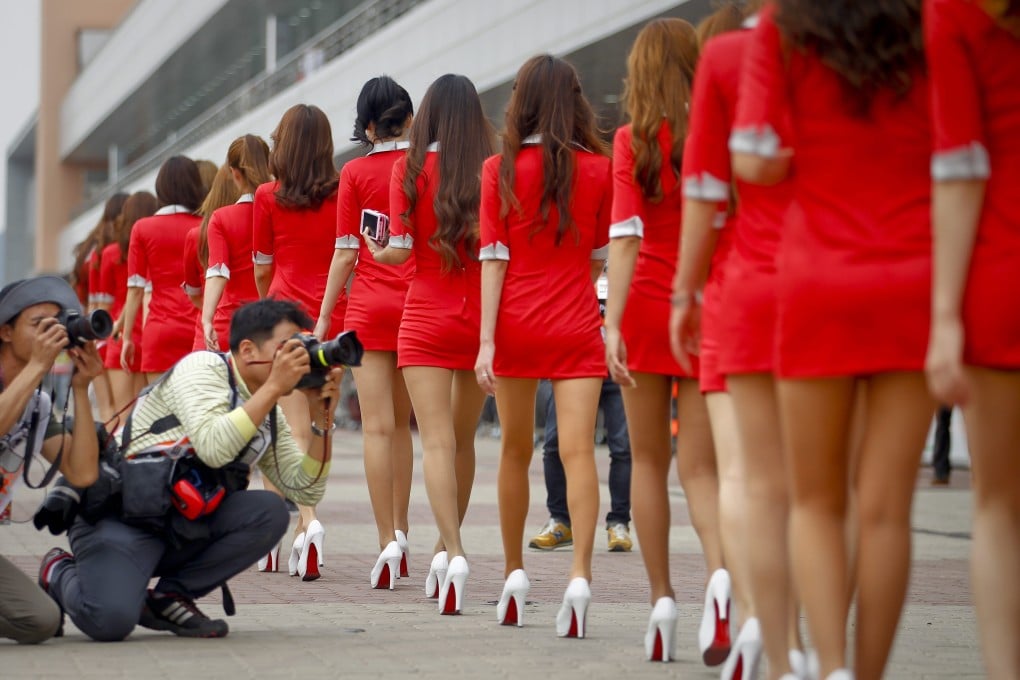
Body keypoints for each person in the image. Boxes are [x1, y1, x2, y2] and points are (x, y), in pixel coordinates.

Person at [730, 2, 934, 678]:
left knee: (816, 500)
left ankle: (830, 666)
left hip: (817, 277)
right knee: (886, 510)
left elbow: (753, 158)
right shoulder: (930, 23)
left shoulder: (782, 30)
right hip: (911, 275)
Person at [40, 299, 339, 642]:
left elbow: (305, 489)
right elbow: (213, 447)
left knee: (269, 512)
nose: (297, 357)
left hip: (179, 522)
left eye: (302, 347)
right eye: (287, 347)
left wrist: (322, 418)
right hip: (122, 515)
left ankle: (171, 596)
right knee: (110, 621)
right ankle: (58, 570)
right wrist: (273, 388)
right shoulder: (203, 368)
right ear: (247, 349)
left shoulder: (269, 413)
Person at [672, 1, 814, 677]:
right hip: (825, 272)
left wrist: (686, 292)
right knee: (819, 487)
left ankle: (750, 607)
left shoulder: (724, 73)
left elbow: (704, 195)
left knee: (737, 473)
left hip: (737, 288)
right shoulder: (846, 60)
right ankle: (805, 638)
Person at [474, 54, 611, 637]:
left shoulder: (498, 170)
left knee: (514, 451)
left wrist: (485, 341)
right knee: (579, 453)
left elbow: (492, 260)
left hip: (515, 324)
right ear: (575, 102)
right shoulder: (600, 170)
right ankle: (579, 575)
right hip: (577, 321)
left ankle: (514, 575)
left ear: (521, 101)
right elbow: (599, 258)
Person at [604, 18, 727, 664]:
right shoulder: (718, 133)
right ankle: (721, 576)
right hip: (707, 304)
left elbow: (624, 237)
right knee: (702, 467)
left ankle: (661, 602)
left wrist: (612, 324)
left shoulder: (632, 141)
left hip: (648, 307)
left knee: (648, 462)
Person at [363, 74, 494, 614]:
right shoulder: (493, 170)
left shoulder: (409, 169)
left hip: (425, 315)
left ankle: (453, 553)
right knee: (463, 442)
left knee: (435, 442)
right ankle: (443, 549)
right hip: (478, 316)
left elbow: (398, 250)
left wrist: (376, 250)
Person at [924, 2, 1020, 677]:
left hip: (1001, 268)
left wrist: (943, 312)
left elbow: (960, 165)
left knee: (998, 508)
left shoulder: (955, 14)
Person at [316, 76, 416, 589]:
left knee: (376, 428)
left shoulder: (354, 173)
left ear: (367, 125)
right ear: (410, 118)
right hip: (419, 305)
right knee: (402, 429)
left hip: (371, 307)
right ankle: (403, 530)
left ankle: (385, 545)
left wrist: (323, 319)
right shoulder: (423, 167)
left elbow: (344, 253)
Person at [253, 104, 341, 579]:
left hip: (283, 318)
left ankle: (302, 521)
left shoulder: (268, 196)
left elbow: (262, 266)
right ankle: (294, 529)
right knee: (320, 425)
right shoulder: (341, 192)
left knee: (282, 425)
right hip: (330, 321)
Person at [0, 276, 103, 644]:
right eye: (39, 325)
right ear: (6, 332)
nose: (52, 335)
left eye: (57, 325)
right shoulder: (29, 384)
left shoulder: (36, 405)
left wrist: (81, 388)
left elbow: (82, 472)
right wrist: (36, 367)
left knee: (41, 620)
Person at [120, 156, 204, 382]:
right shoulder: (205, 225)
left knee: (160, 404)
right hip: (197, 329)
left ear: (161, 187)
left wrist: (127, 338)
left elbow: (135, 290)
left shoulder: (142, 228)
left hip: (159, 331)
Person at [529, 374, 632, 553]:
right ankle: (560, 521)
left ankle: (619, 522)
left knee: (622, 448)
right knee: (554, 443)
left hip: (615, 368)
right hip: (574, 367)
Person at [201, 135, 271, 354]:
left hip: (233, 326)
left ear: (234, 173)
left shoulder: (221, 218)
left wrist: (206, 319)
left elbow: (218, 273)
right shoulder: (282, 210)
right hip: (276, 323)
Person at [98, 192, 158, 419]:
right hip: (149, 329)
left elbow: (104, 302)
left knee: (120, 413)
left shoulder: (110, 254)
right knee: (147, 415)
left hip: (120, 333)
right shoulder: (154, 248)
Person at [75, 194, 128, 423]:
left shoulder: (94, 254)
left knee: (106, 407)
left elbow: (92, 301)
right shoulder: (127, 250)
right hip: (123, 330)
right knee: (126, 407)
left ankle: (108, 444)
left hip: (99, 331)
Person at [183, 164, 240, 350]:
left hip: (210, 330)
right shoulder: (254, 225)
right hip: (252, 325)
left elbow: (194, 294)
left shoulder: (197, 235)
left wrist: (210, 310)